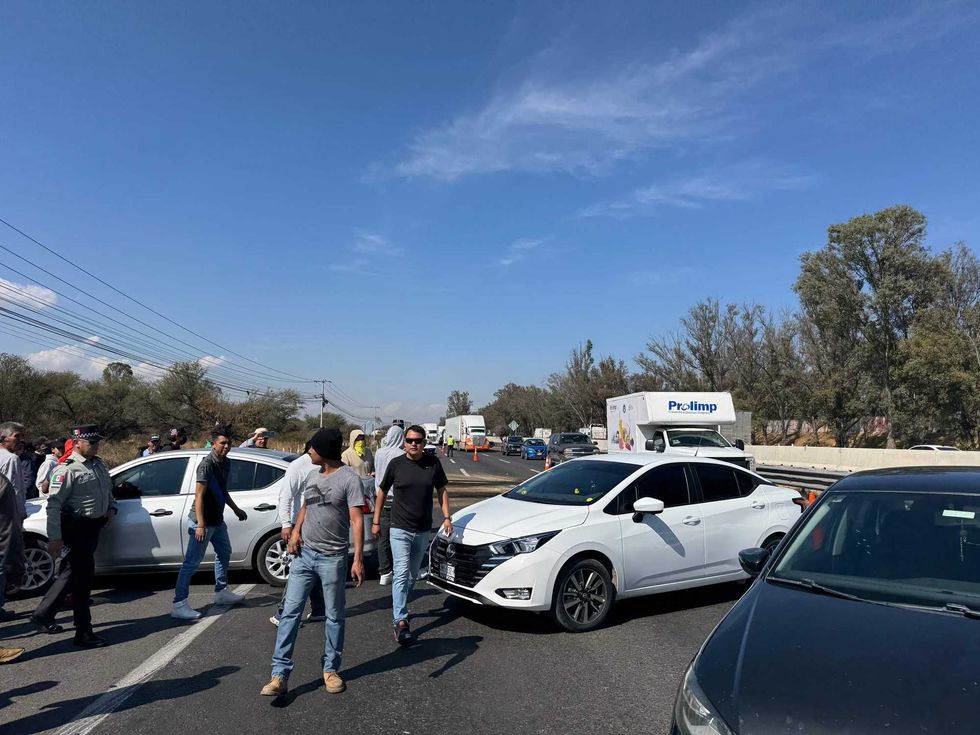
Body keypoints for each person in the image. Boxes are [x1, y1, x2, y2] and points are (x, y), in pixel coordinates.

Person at [261, 427, 365, 697]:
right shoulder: (310, 474)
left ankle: (330, 670)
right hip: (304, 556)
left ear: (326, 452)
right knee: (290, 614)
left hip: (333, 558)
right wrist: (295, 532)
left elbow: (356, 520)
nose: (309, 451)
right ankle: (279, 675)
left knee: (334, 616)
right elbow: (307, 505)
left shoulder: (349, 480)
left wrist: (358, 559)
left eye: (313, 448)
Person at [31, 425, 117, 647]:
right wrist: (55, 538)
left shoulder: (98, 464)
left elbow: (107, 490)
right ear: (77, 443)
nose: (95, 446)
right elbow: (53, 506)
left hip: (92, 529)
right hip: (77, 529)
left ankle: (44, 614)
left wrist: (111, 508)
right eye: (91, 443)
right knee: (82, 582)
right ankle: (83, 632)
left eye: (97, 442)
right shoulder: (66, 470)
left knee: (74, 575)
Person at [374, 424, 451, 645]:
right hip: (399, 527)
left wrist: (447, 516)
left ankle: (401, 604)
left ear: (424, 443)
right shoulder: (396, 464)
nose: (413, 444)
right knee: (400, 572)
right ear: (404, 442)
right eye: (409, 441)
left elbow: (442, 490)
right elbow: (381, 492)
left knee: (412, 574)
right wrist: (377, 521)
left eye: (418, 441)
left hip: (423, 529)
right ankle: (401, 620)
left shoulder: (432, 463)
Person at [170, 427, 249, 620]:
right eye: (222, 443)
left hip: (217, 520)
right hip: (202, 522)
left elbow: (222, 490)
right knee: (191, 563)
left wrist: (236, 509)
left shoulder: (226, 463)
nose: (226, 446)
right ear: (213, 444)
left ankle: (221, 591)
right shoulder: (206, 465)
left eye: (228, 443)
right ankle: (179, 604)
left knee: (224, 552)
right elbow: (199, 496)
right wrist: (200, 525)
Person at [269, 438, 326, 627]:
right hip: (299, 525)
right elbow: (285, 496)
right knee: (299, 570)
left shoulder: (324, 465)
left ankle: (319, 609)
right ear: (312, 448)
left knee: (314, 566)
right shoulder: (298, 466)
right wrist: (286, 525)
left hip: (317, 525)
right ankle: (282, 613)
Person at [0, 422, 26, 637]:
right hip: (8, 516)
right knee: (6, 562)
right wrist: (19, 514)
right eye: (16, 436)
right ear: (4, 438)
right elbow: (15, 489)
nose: (19, 440)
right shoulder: (11, 459)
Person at [372, 425, 404, 586]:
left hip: (381, 499)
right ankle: (401, 570)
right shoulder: (402, 454)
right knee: (400, 536)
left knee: (383, 538)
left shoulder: (379, 452)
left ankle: (384, 571)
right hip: (398, 500)